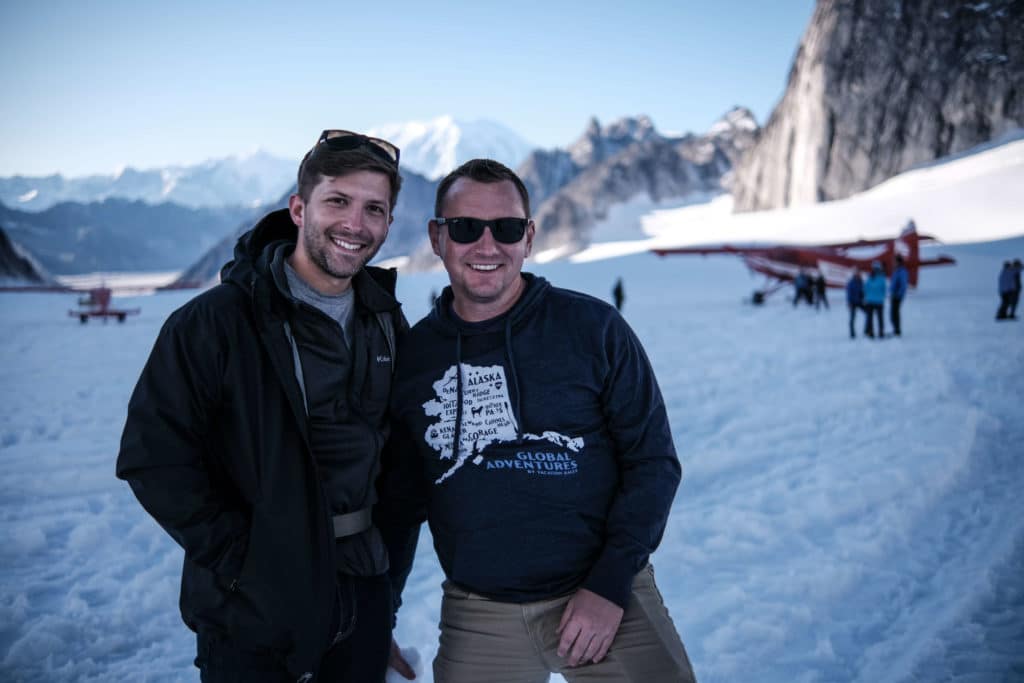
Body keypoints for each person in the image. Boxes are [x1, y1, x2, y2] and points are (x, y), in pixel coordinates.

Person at [379, 159, 695, 682]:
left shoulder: (593, 329)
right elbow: (400, 503)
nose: (486, 246)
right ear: (437, 238)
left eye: (504, 229)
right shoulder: (416, 357)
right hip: (480, 612)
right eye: (464, 228)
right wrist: (379, 617)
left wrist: (610, 584)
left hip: (604, 594)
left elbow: (653, 462)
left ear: (528, 237)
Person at [117, 129, 408, 682]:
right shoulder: (216, 322)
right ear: (299, 208)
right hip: (255, 606)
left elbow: (397, 466)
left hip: (363, 591)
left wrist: (383, 598)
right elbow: (153, 459)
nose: (356, 224)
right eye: (338, 202)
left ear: (390, 223)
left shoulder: (386, 323)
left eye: (375, 209)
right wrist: (243, 566)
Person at [863, 260, 887, 338]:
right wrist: (882, 296)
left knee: (870, 318)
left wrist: (866, 296)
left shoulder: (870, 277)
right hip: (879, 301)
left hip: (870, 300)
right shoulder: (882, 277)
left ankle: (871, 332)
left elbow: (865, 288)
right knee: (880, 318)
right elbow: (884, 289)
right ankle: (881, 332)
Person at [889, 254, 908, 336]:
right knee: (893, 314)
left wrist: (898, 294)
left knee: (895, 313)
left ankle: (897, 331)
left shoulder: (902, 271)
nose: (893, 262)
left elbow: (903, 285)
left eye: (895, 261)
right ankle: (896, 330)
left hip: (897, 296)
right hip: (894, 295)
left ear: (898, 262)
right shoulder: (896, 271)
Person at [846, 268, 864, 338]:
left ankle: (867, 329)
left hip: (860, 302)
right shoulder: (851, 282)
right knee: (852, 318)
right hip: (853, 302)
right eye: (857, 273)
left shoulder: (861, 282)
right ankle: (852, 333)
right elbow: (848, 293)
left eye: (859, 273)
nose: (858, 275)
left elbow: (863, 291)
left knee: (868, 314)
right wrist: (849, 302)